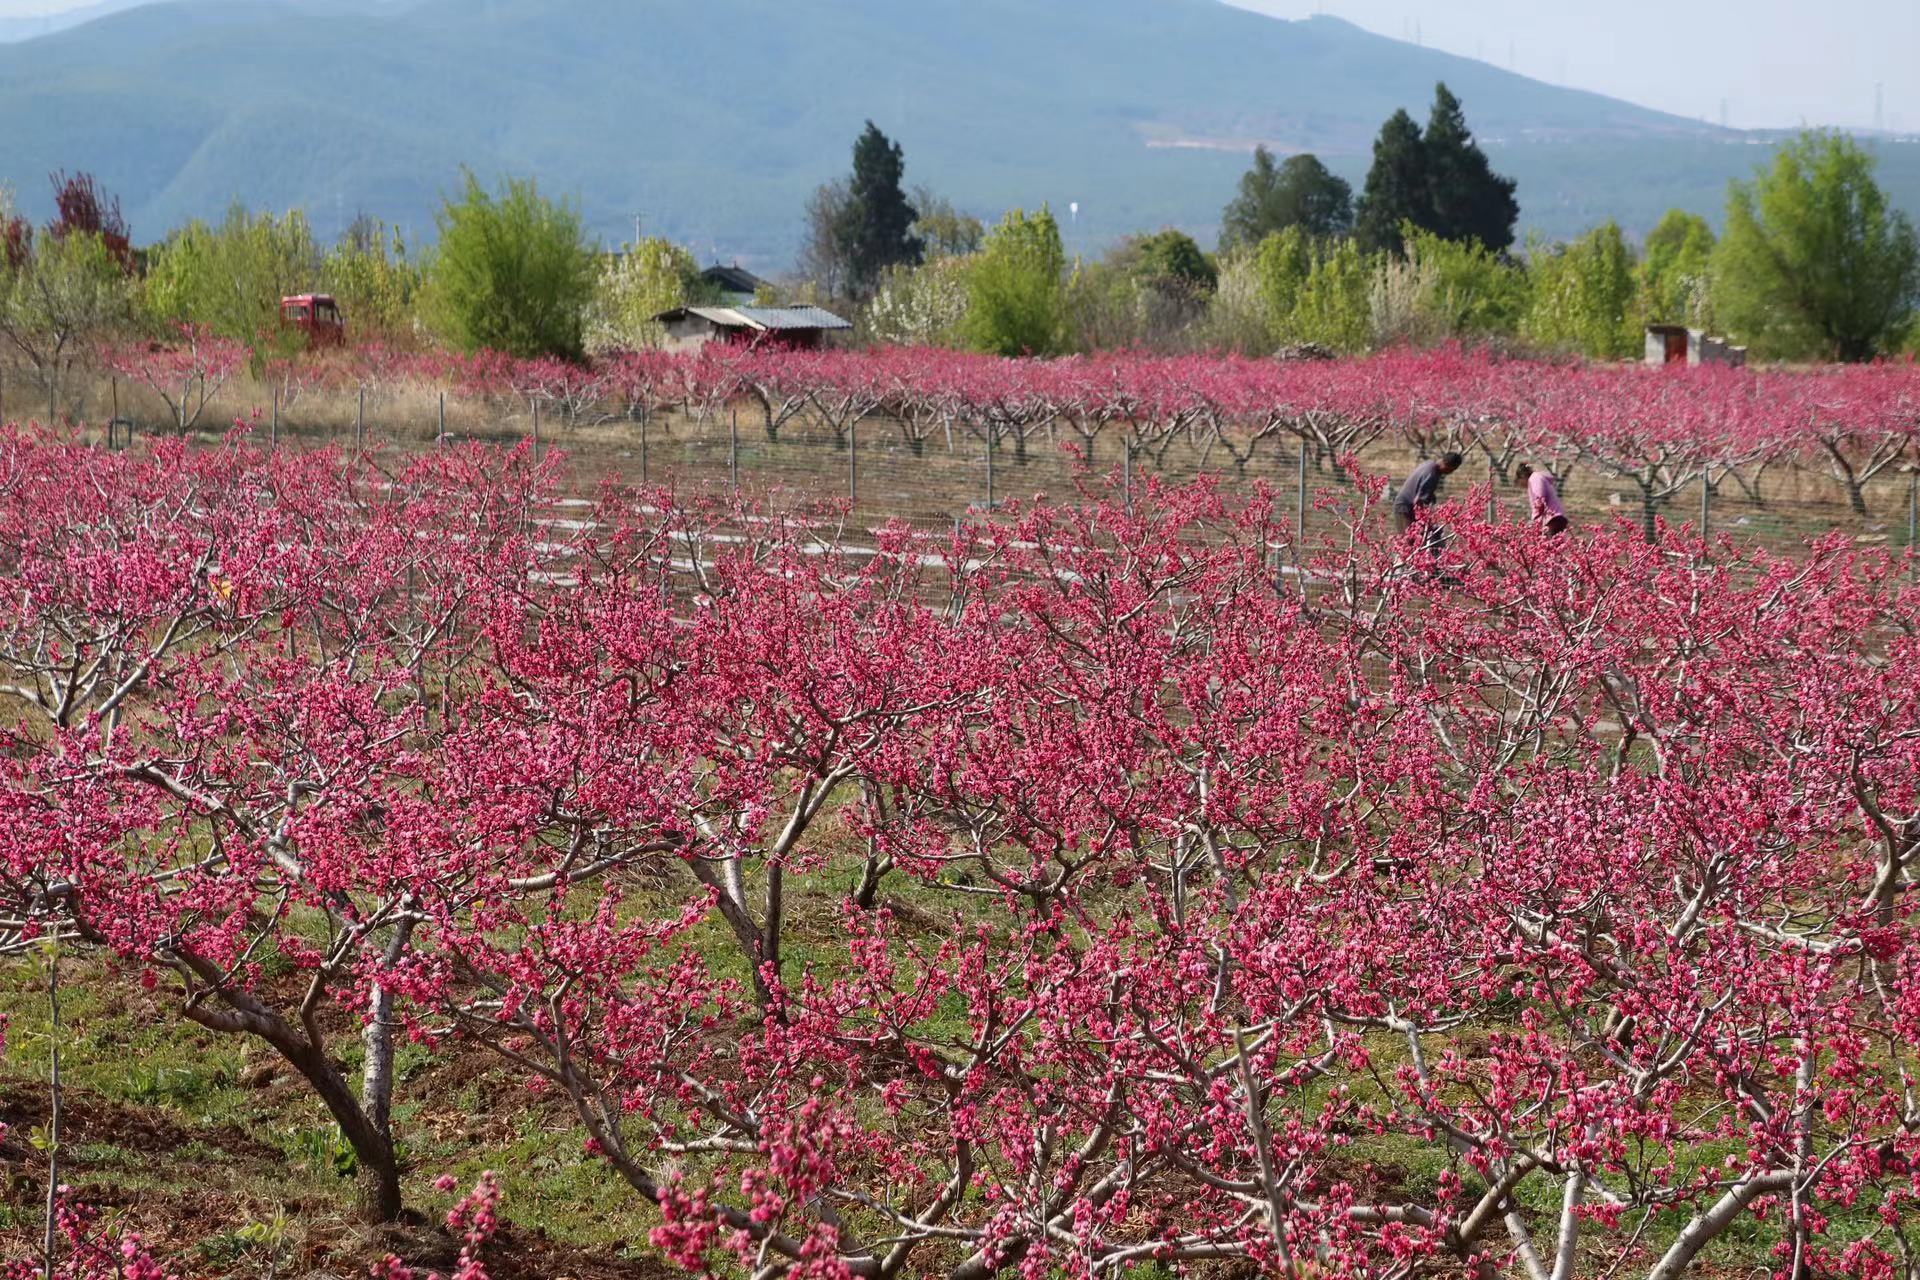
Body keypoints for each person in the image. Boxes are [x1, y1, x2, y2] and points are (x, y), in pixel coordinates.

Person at [1394, 452, 1463, 546]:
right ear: (1448, 465)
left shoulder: (1429, 464)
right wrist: (1425, 522)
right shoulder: (1432, 474)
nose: (1451, 472)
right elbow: (1418, 502)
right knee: (1410, 543)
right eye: (1453, 469)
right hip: (1406, 508)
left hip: (1403, 505)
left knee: (1412, 542)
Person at [1515, 462, 1569, 536]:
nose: (1521, 485)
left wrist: (1534, 519)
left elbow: (1540, 499)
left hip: (1552, 518)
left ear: (1522, 476)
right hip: (1554, 518)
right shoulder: (1535, 478)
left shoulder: (1535, 478)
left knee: (1550, 544)